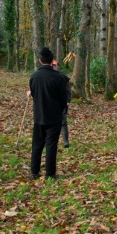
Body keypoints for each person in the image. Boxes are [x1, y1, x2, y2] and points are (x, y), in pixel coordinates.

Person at [28, 48, 70, 179]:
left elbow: (34, 95)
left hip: (39, 114)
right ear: (52, 61)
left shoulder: (34, 77)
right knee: (51, 145)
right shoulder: (58, 78)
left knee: (37, 144)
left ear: (40, 60)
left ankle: (34, 172)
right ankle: (50, 174)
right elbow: (64, 98)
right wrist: (60, 109)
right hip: (54, 115)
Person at [52, 60, 72, 147]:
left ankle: (66, 141)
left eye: (55, 65)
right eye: (53, 65)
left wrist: (68, 101)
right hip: (51, 103)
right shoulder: (48, 77)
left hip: (62, 103)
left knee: (63, 122)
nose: (54, 67)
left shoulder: (63, 77)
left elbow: (68, 91)